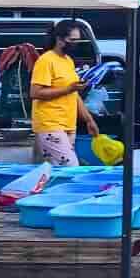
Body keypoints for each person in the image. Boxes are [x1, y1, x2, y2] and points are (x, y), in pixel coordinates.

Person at [30, 19, 100, 167]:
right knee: (71, 167)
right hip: (50, 124)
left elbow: (73, 95)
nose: (76, 43)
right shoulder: (46, 60)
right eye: (72, 40)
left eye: (78, 40)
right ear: (60, 39)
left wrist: (88, 119)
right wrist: (69, 89)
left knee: (57, 170)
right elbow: (35, 92)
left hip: (68, 125)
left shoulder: (68, 61)